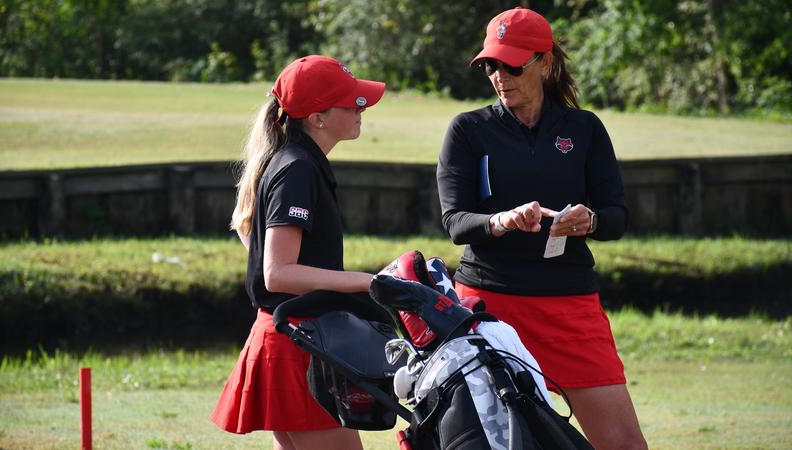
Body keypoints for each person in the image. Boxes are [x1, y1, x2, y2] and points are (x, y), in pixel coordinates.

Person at [436, 8, 648, 450]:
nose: (499, 75)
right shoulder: (468, 130)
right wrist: (500, 220)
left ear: (545, 62)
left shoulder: (584, 128)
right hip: (489, 308)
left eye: (512, 64)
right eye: (491, 65)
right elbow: (456, 222)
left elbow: (617, 217)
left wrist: (588, 220)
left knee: (624, 444)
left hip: (570, 304)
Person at [210, 55, 385, 450]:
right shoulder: (298, 168)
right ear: (317, 118)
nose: (362, 109)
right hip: (298, 342)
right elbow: (278, 272)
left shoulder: (297, 161)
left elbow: (254, 239)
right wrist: (369, 282)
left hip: (293, 334)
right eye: (350, 103)